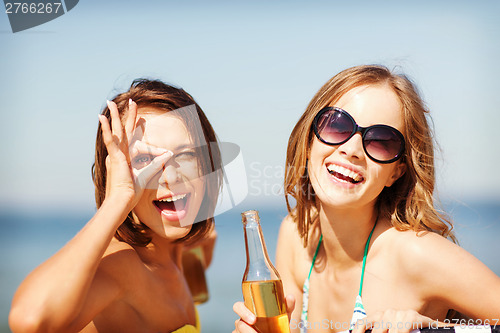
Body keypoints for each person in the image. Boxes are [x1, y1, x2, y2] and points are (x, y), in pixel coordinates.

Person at [233, 65, 500, 333]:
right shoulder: (295, 237)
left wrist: (436, 329)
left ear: (396, 171)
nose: (352, 150)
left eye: (381, 141)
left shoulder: (416, 255)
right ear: (309, 140)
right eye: (336, 125)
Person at [9, 79, 222, 333]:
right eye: (146, 159)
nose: (172, 176)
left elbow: (197, 264)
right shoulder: (122, 266)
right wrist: (118, 199)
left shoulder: (186, 248)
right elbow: (30, 320)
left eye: (186, 155)